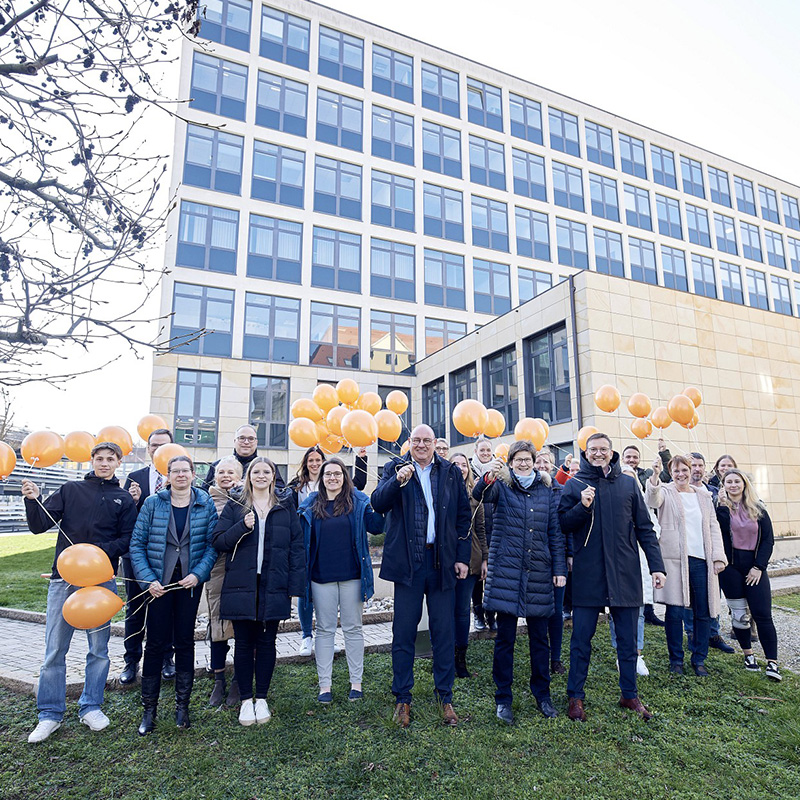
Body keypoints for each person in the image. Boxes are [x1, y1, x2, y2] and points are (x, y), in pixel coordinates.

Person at [23, 442, 138, 744]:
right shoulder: (70, 489)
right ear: (92, 461)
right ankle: (49, 714)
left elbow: (126, 539)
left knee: (98, 650)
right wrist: (32, 501)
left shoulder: (123, 499)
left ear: (118, 463)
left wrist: (97, 553)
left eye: (110, 459)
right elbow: (39, 526)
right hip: (64, 580)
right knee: (54, 651)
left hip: (101, 583)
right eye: (99, 459)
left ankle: (91, 706)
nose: (104, 463)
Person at [558, 433, 666, 722]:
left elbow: (645, 528)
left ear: (611, 452)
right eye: (593, 450)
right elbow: (563, 524)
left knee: (628, 641)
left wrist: (657, 567)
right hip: (588, 574)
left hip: (624, 573)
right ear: (585, 452)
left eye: (603, 449)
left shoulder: (629, 484)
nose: (598, 454)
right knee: (581, 639)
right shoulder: (574, 484)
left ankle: (629, 695)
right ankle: (575, 697)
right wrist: (582, 507)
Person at [371, 424, 471, 728]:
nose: (422, 445)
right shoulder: (395, 468)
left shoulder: (450, 472)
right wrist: (397, 482)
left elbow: (463, 516)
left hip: (441, 561)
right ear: (409, 443)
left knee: (444, 631)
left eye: (428, 441)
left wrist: (463, 558)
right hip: (409, 563)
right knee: (403, 632)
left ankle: (445, 696)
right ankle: (403, 698)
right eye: (417, 440)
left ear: (436, 444)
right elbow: (377, 503)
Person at [474, 442, 566, 723]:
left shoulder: (546, 490)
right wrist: (488, 476)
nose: (523, 464)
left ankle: (543, 694)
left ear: (534, 461)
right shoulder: (502, 486)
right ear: (511, 462)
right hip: (508, 572)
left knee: (540, 639)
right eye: (518, 459)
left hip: (538, 571)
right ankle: (503, 698)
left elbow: (555, 532)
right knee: (505, 639)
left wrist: (559, 568)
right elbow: (480, 494)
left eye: (528, 459)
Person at [129, 455, 218, 734]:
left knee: (184, 642)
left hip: (189, 584)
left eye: (185, 471)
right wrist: (148, 581)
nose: (180, 475)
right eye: (175, 471)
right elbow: (137, 545)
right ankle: (149, 710)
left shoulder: (205, 502)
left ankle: (182, 707)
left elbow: (212, 546)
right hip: (158, 585)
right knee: (154, 644)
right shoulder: (153, 503)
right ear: (167, 475)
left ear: (194, 474)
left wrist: (198, 574)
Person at [214, 458, 305, 725]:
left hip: (273, 583)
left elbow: (297, 548)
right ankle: (245, 701)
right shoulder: (236, 505)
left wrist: (295, 587)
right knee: (243, 643)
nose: (261, 476)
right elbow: (219, 541)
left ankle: (262, 698)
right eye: (257, 472)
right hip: (242, 583)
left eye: (267, 471)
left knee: (267, 642)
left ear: (274, 476)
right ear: (249, 476)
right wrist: (242, 526)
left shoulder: (285, 506)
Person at [298, 458, 384, 703]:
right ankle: (325, 686)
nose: (332, 478)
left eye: (337, 473)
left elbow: (377, 526)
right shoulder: (309, 504)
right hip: (320, 577)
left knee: (353, 629)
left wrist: (383, 503)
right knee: (324, 630)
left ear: (345, 477)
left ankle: (355, 683)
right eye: (328, 474)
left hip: (353, 577)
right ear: (321, 478)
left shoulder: (358, 501)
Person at [645, 455, 727, 676]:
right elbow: (652, 500)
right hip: (675, 560)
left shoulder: (703, 496)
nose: (680, 474)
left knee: (703, 611)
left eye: (684, 470)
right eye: (676, 471)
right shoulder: (666, 491)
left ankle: (699, 659)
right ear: (670, 473)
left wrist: (718, 556)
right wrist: (654, 476)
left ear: (691, 471)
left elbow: (713, 525)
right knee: (674, 611)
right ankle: (676, 660)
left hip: (701, 560)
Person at [288, 445, 368, 657]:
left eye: (318, 460)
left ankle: (328, 641)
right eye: (310, 460)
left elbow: (357, 486)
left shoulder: (341, 487)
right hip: (309, 549)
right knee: (307, 596)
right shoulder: (296, 487)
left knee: (346, 621)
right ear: (306, 464)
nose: (314, 464)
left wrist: (361, 459)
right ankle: (307, 635)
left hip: (340, 559)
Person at [121, 428, 176, 685]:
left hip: (168, 555)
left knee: (166, 609)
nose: (157, 449)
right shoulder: (134, 477)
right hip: (137, 554)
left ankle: (167, 658)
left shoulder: (179, 476)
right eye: (154, 445)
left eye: (163, 445)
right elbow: (122, 519)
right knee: (135, 608)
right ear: (148, 448)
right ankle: (131, 661)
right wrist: (132, 502)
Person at [715, 469, 781, 681]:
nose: (733, 485)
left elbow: (768, 540)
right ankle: (748, 655)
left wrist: (759, 567)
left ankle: (772, 662)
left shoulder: (758, 507)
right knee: (740, 615)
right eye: (728, 482)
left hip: (754, 567)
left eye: (737, 481)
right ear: (723, 485)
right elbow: (721, 535)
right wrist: (723, 507)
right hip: (731, 568)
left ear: (744, 484)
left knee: (762, 614)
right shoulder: (720, 509)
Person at [610, 465, 659, 678]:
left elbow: (653, 531)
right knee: (615, 612)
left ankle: (636, 653)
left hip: (638, 564)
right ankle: (621, 653)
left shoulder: (643, 507)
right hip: (615, 565)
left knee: (637, 611)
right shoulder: (611, 504)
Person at [686, 452, 734, 654]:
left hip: (713, 550)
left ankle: (714, 634)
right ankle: (692, 634)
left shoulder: (714, 491)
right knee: (690, 596)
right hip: (690, 551)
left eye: (700, 465)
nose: (697, 469)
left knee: (714, 594)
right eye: (693, 465)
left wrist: (724, 505)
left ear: (705, 468)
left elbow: (722, 524)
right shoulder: (681, 491)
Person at [205, 456, 243, 707]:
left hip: (243, 568)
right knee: (217, 622)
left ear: (240, 477)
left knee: (243, 623)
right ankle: (218, 678)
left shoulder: (247, 500)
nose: (226, 476)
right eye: (221, 472)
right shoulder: (204, 501)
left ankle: (239, 680)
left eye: (231, 472)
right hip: (216, 567)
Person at [449, 453, 487, 679]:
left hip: (471, 558)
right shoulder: (440, 492)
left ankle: (460, 659)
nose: (461, 468)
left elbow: (481, 529)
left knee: (462, 611)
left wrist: (484, 559)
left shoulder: (475, 496)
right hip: (444, 559)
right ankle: (444, 654)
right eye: (456, 464)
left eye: (465, 465)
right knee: (444, 611)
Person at [534, 448, 568, 675]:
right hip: (534, 559)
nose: (542, 465)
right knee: (537, 612)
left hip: (557, 559)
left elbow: (568, 528)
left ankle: (555, 658)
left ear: (552, 466)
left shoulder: (562, 491)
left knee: (556, 611)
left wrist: (570, 555)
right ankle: (538, 656)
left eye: (546, 462)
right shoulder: (528, 490)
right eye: (538, 461)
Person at [203, 424, 285, 491]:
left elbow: (280, 491)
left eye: (251, 439)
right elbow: (204, 491)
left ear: (256, 442)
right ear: (234, 441)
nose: (246, 442)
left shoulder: (268, 466)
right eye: (242, 438)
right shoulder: (218, 465)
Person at [470, 436, 496, 632]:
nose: (486, 454)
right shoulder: (469, 471)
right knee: (478, 577)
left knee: (493, 577)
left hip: (495, 529)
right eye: (482, 450)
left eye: (488, 450)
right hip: (477, 532)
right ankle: (478, 615)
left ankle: (492, 615)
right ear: (476, 451)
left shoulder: (499, 471)